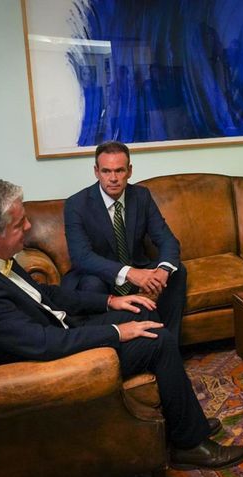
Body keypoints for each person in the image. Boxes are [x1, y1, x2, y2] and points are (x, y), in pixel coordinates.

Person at [0, 179, 243, 471]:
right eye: (19, 223)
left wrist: (109, 303)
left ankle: (182, 418)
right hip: (49, 367)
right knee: (158, 339)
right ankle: (189, 444)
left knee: (143, 314)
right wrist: (117, 332)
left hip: (61, 334)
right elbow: (44, 344)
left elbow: (45, 293)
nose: (28, 227)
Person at [63, 140, 186, 338]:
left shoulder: (141, 196)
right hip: (100, 276)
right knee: (91, 285)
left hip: (137, 269)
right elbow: (81, 257)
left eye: (119, 171)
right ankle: (112, 349)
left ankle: (170, 342)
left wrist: (163, 270)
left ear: (129, 171)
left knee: (177, 271)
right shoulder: (76, 204)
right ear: (96, 171)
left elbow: (167, 239)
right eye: (106, 171)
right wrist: (129, 273)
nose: (113, 178)